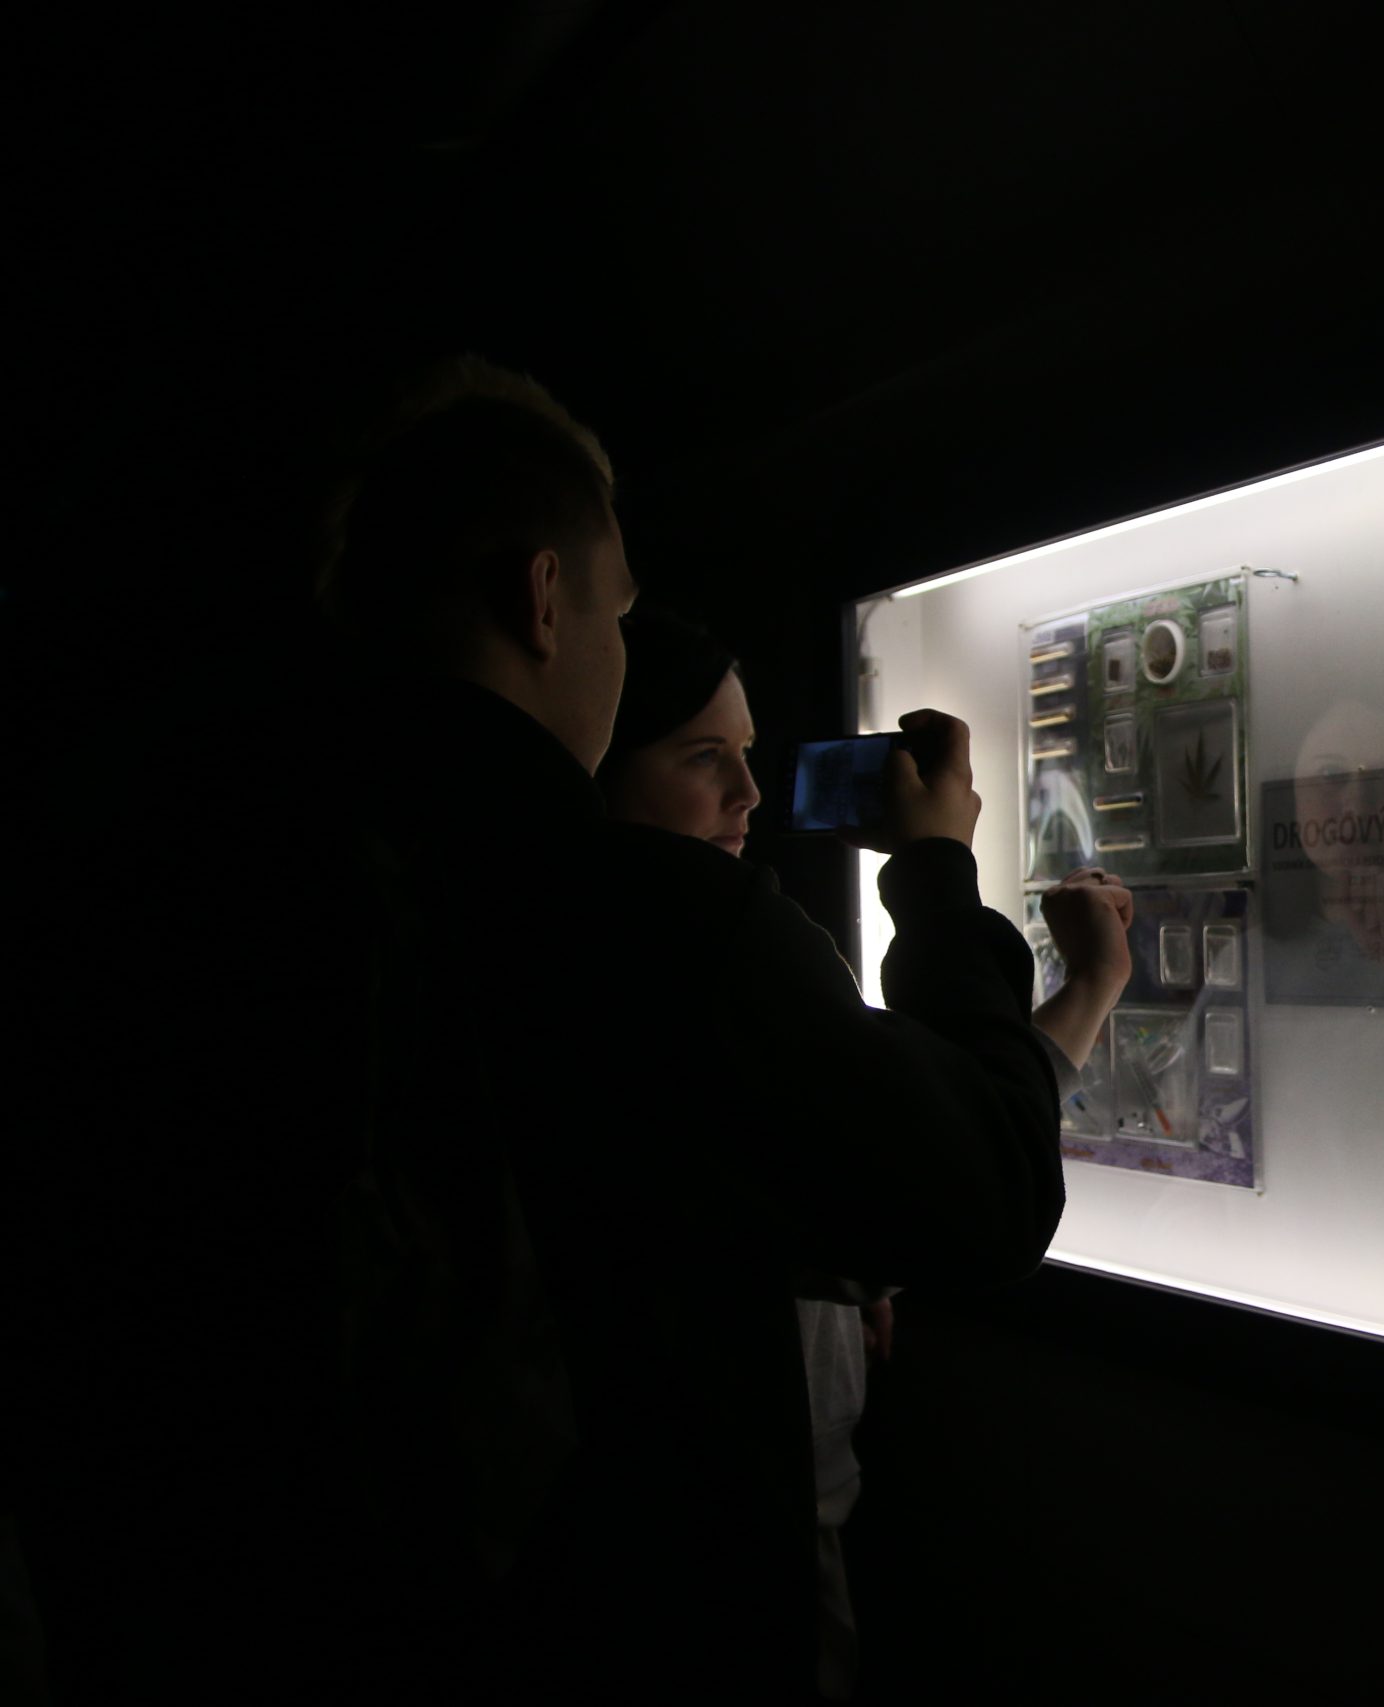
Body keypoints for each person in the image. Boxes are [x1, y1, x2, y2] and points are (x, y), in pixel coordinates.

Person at [189, 353, 1070, 1701]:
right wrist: (941, 880)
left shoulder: (254, 885)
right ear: (544, 598)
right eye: (617, 606)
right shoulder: (649, 921)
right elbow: (990, 1189)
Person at [596, 608, 1130, 1698]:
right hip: (724, 1542)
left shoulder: (626, 949)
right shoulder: (703, 954)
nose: (748, 793)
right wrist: (935, 870)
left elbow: (908, 1151)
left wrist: (1089, 992)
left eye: (749, 754)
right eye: (702, 758)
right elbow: (970, 1183)